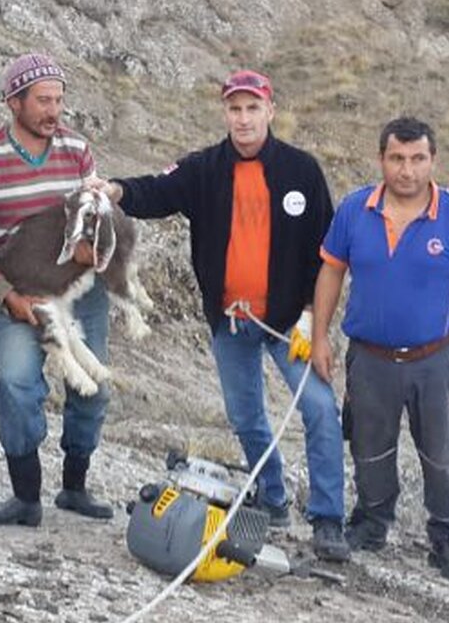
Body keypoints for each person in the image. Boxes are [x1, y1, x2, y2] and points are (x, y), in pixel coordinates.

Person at [97, 70, 351, 562]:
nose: (244, 118)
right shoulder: (205, 169)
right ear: (225, 114)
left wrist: (312, 319)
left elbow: (328, 254)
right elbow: (157, 191)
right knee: (246, 418)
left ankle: (327, 519)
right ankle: (272, 499)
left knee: (320, 409)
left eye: (252, 108)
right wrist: (117, 190)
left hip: (289, 323)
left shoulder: (302, 171)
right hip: (231, 321)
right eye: (235, 109)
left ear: (270, 111)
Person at [310, 116, 449, 583]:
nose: (407, 170)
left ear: (433, 160)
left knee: (440, 453)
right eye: (397, 158)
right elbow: (331, 272)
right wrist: (319, 337)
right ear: (381, 159)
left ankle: (448, 541)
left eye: (418, 159)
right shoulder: (355, 210)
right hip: (370, 358)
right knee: (370, 449)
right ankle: (372, 524)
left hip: (434, 361)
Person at [0, 53, 114, 527]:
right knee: (14, 384)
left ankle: (74, 487)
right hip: (17, 295)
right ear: (14, 102)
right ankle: (26, 497)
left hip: (79, 294)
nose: (54, 111)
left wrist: (95, 247)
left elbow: (96, 218)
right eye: (42, 101)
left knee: (92, 389)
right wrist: (8, 296)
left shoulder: (77, 150)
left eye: (58, 100)